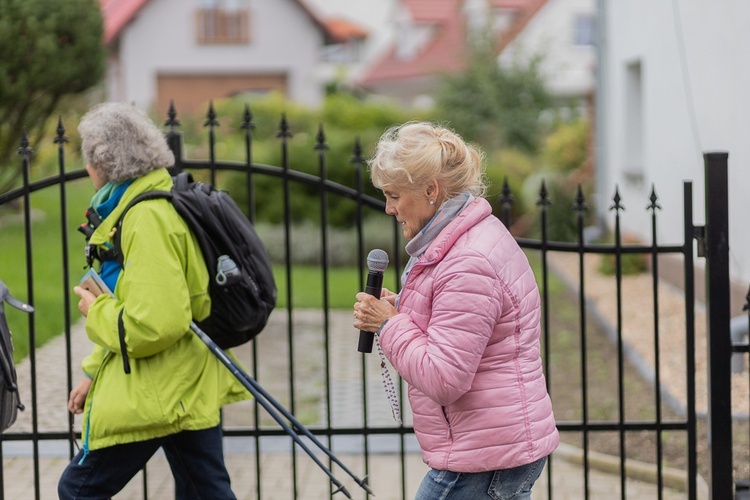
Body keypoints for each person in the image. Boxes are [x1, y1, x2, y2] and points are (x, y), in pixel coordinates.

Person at [353, 122, 558, 499]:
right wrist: (399, 310)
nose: (388, 207)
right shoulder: (468, 237)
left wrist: (389, 325)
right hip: (497, 446)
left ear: (430, 190)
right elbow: (461, 326)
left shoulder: (467, 261)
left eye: (394, 194)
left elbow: (443, 378)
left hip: (485, 458)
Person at [58, 102, 249, 499]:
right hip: (185, 380)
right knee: (205, 492)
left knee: (78, 491)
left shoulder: (146, 218)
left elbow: (156, 322)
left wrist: (96, 313)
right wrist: (94, 370)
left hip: (160, 386)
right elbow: (136, 296)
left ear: (103, 161)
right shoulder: (148, 202)